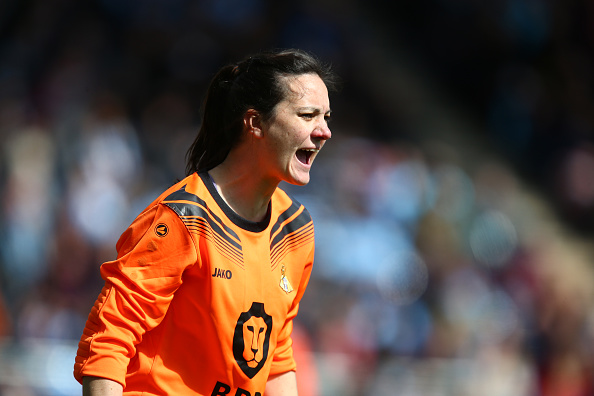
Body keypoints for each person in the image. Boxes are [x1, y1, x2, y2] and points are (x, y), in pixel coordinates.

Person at [73, 48, 337, 396]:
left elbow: (276, 356)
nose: (325, 132)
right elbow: (109, 340)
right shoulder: (183, 217)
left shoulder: (296, 230)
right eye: (307, 115)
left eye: (327, 117)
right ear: (255, 122)